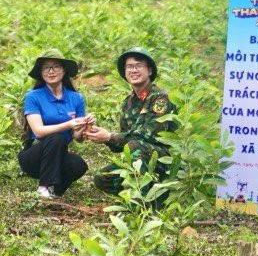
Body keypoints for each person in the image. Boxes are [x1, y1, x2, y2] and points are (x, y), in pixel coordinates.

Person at [85, 47, 178, 197]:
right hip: (139, 158)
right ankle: (146, 197)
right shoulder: (128, 102)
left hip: (166, 160)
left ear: (150, 71)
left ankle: (144, 204)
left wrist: (110, 136)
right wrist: (101, 137)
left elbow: (152, 135)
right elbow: (122, 144)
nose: (133, 70)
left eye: (139, 65)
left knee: (135, 146)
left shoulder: (160, 98)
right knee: (101, 177)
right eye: (129, 67)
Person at [19, 49, 91, 198]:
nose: (51, 71)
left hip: (59, 154)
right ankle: (43, 187)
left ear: (64, 70)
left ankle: (55, 192)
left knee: (79, 165)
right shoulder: (33, 96)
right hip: (34, 155)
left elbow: (78, 137)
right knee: (57, 138)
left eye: (55, 67)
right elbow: (38, 131)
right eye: (46, 67)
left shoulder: (76, 98)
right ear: (41, 72)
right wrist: (69, 124)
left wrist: (84, 125)